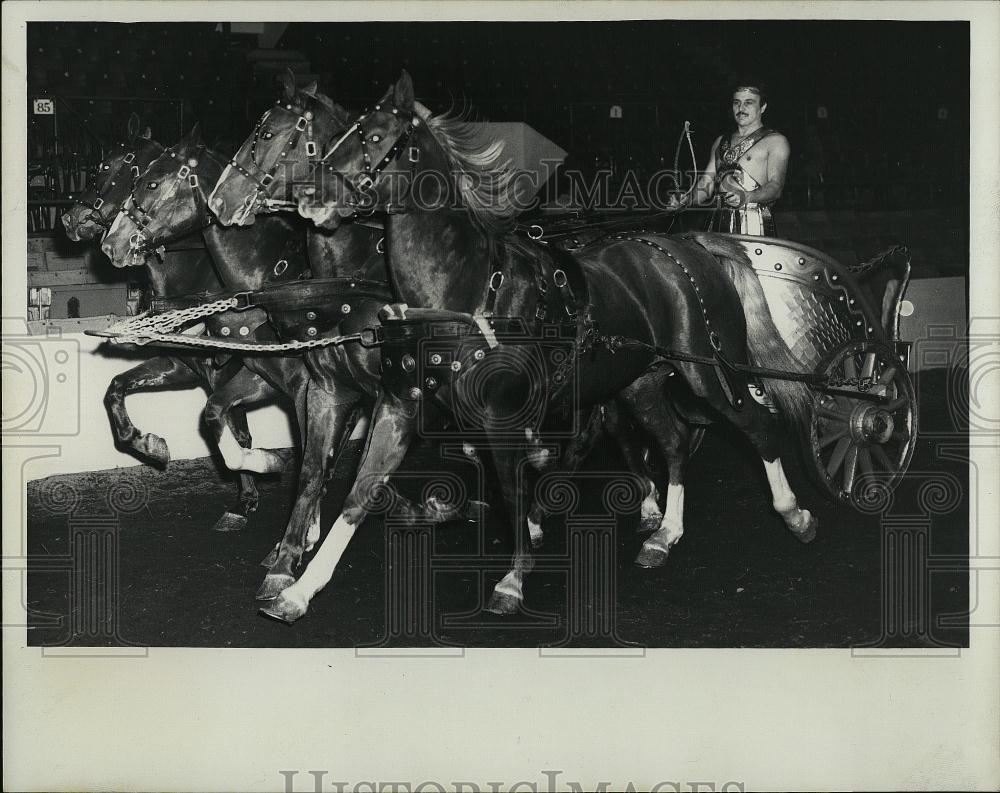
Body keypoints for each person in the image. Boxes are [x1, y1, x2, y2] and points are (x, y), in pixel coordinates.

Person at [676, 82, 790, 236]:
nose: (741, 109)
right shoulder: (720, 142)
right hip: (716, 221)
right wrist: (685, 201)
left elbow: (776, 187)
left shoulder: (775, 141)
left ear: (762, 108)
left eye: (749, 103)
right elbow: (706, 184)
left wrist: (748, 196)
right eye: (737, 103)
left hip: (753, 221)